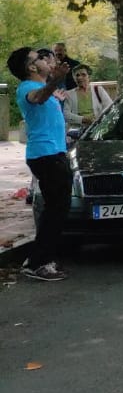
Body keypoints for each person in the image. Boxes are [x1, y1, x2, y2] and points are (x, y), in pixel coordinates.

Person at [7, 46, 74, 280]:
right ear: (31, 67)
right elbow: (39, 97)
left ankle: (40, 258)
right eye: (40, 57)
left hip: (53, 153)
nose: (46, 59)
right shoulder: (27, 88)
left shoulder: (43, 86)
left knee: (56, 209)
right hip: (45, 155)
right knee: (56, 210)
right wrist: (54, 81)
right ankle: (38, 263)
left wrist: (55, 83)